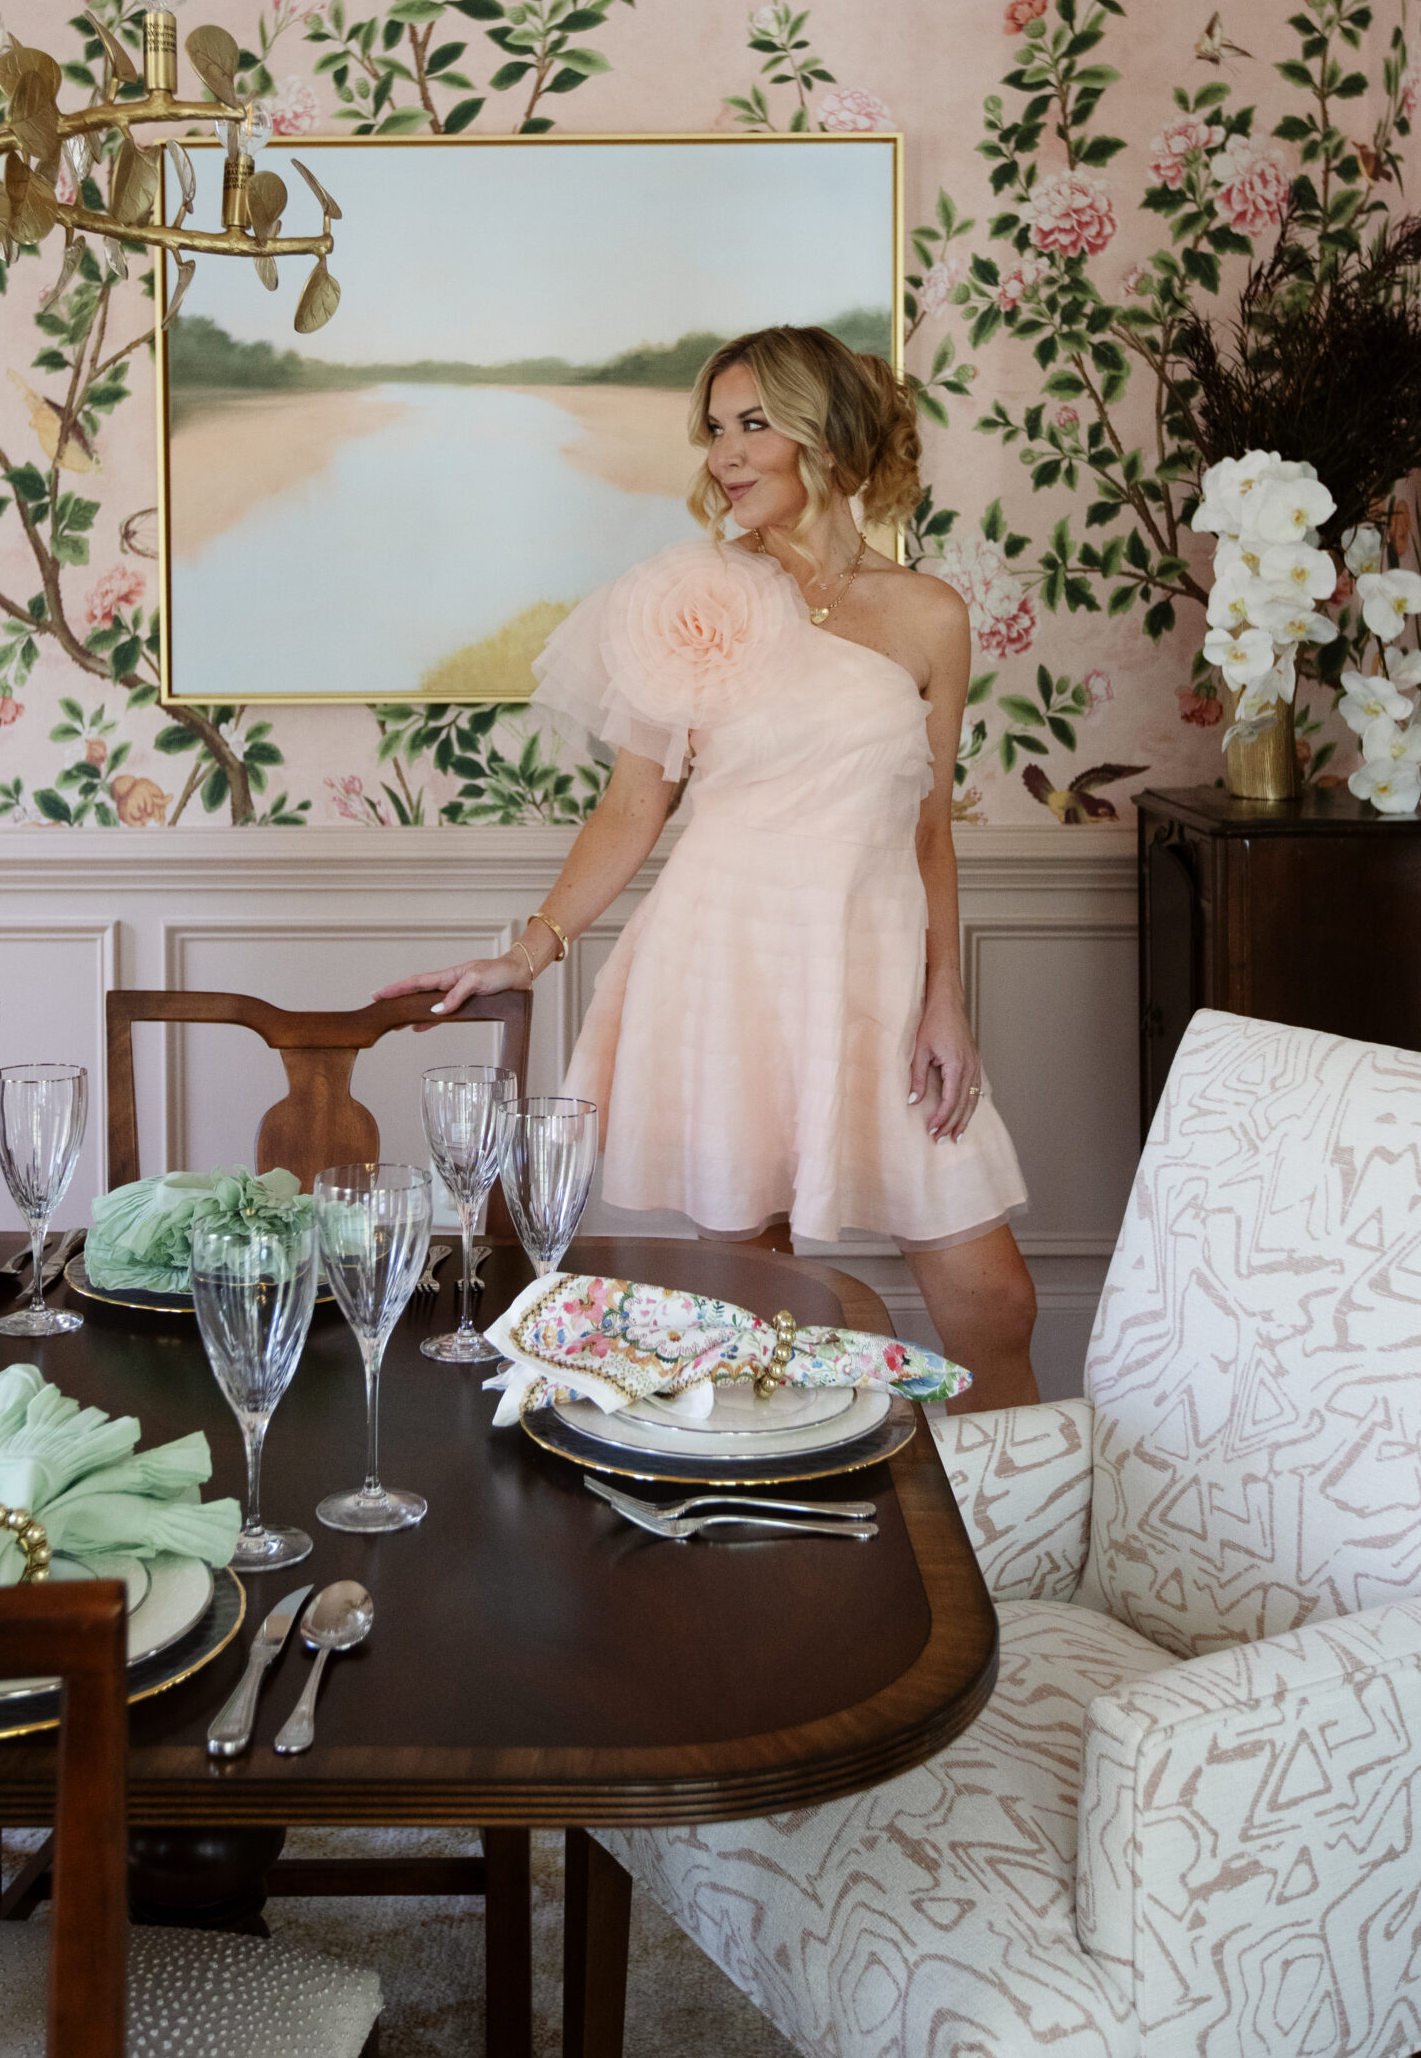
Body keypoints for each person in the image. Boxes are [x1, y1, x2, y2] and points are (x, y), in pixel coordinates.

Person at [379, 324, 1039, 1408]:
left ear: (823, 436)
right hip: (722, 958)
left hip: (870, 971)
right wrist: (530, 951)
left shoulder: (930, 615)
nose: (726, 454)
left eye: (753, 425)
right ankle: (766, 1543)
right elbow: (633, 803)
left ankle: (1010, 1539)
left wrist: (944, 1000)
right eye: (715, 430)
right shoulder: (688, 599)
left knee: (993, 1301)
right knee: (756, 1298)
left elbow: (929, 830)